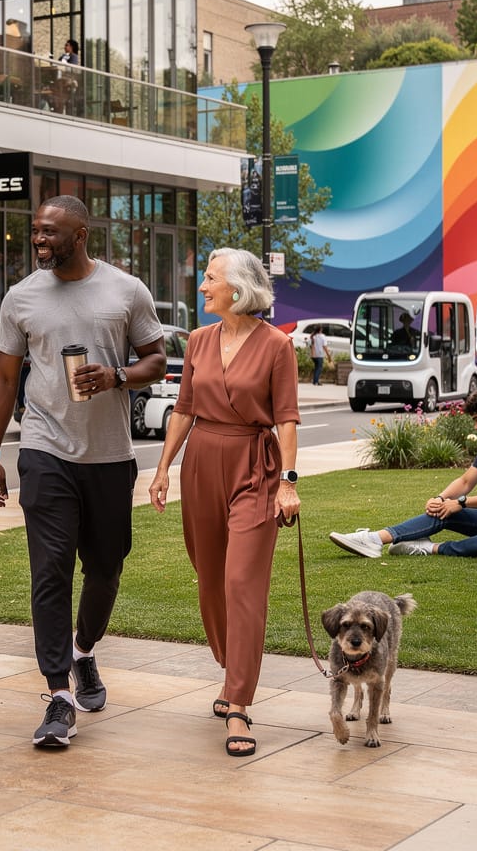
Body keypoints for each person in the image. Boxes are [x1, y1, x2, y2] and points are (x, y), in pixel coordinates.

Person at [0, 195, 166, 749]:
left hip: (109, 456)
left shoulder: (126, 290)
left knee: (106, 568)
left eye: (49, 233)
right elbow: (3, 378)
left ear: (81, 234)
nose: (39, 241)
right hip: (45, 450)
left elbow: (156, 360)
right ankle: (58, 694)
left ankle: (84, 650)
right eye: (35, 232)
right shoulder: (21, 298)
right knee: (50, 570)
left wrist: (115, 377)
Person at [148, 248, 301, 758]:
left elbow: (287, 420)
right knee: (210, 577)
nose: (203, 286)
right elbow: (185, 408)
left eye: (210, 279)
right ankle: (230, 664)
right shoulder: (197, 341)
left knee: (242, 582)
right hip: (202, 464)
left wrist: (289, 481)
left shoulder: (277, 346)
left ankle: (238, 702)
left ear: (237, 289)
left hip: (256, 467)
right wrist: (164, 467)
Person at [330, 386, 477, 559]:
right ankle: (374, 539)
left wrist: (461, 502)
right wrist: (440, 499)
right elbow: (466, 480)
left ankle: (429, 547)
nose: (476, 427)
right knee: (444, 511)